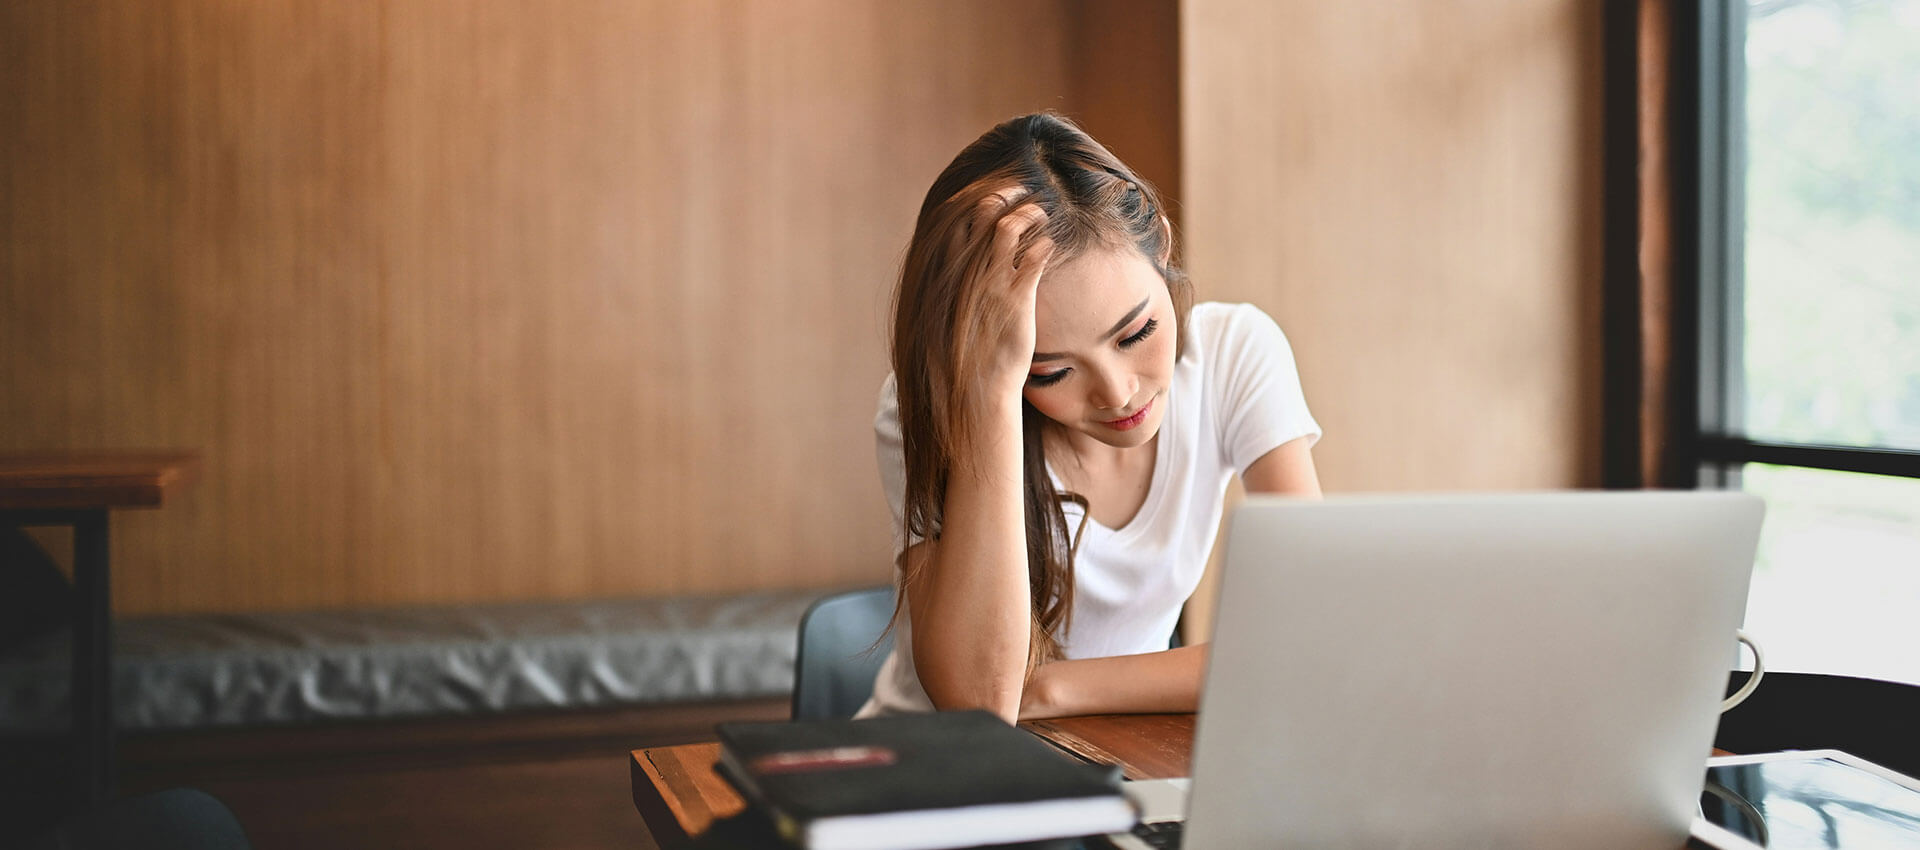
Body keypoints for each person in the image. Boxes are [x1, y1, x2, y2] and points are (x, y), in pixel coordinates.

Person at [856, 112, 1322, 722]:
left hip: (1120, 752)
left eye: (1137, 333)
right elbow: (980, 703)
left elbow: (1313, 639)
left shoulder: (1234, 353)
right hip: (938, 776)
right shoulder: (930, 403)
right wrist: (992, 391)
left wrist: (1051, 688)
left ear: (1162, 241)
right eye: (1049, 371)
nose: (1117, 392)